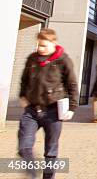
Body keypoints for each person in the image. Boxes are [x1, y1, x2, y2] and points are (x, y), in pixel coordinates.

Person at [18, 28, 78, 179]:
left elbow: (72, 84)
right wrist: (22, 96)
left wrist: (72, 107)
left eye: (43, 45)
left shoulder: (63, 60)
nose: (40, 49)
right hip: (31, 111)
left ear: (53, 43)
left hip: (53, 111)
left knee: (51, 151)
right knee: (24, 147)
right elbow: (24, 79)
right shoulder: (32, 58)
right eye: (38, 45)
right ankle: (32, 175)